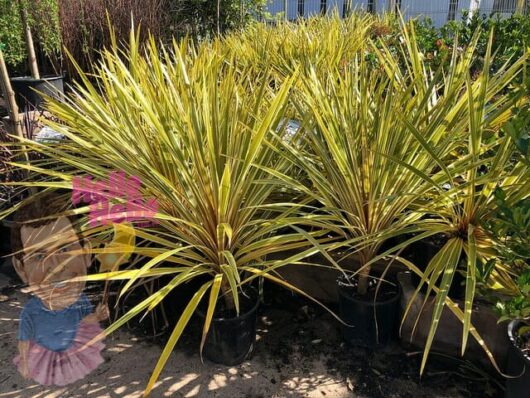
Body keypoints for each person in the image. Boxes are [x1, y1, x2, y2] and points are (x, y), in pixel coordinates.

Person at [10, 193, 109, 386]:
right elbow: (24, 338)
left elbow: (84, 323)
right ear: (21, 268)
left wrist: (97, 316)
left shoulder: (81, 301)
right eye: (39, 257)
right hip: (44, 356)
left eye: (64, 250)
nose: (55, 266)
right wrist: (24, 361)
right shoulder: (31, 311)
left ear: (86, 252)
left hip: (71, 352)